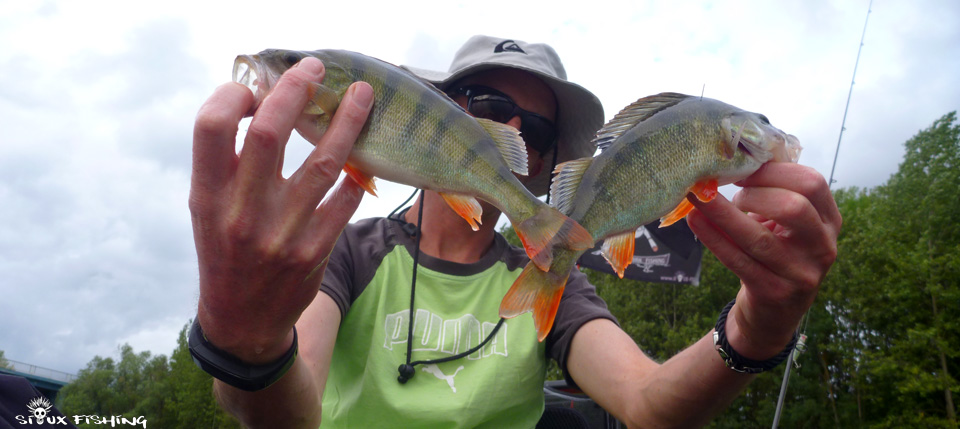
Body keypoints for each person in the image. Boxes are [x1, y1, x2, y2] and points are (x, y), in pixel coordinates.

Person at [188, 35, 841, 428]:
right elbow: (285, 413)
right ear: (450, 110)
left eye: (542, 130)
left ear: (551, 163)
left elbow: (648, 405)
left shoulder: (554, 271)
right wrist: (247, 339)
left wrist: (760, 326)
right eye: (496, 110)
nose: (520, 134)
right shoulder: (350, 256)